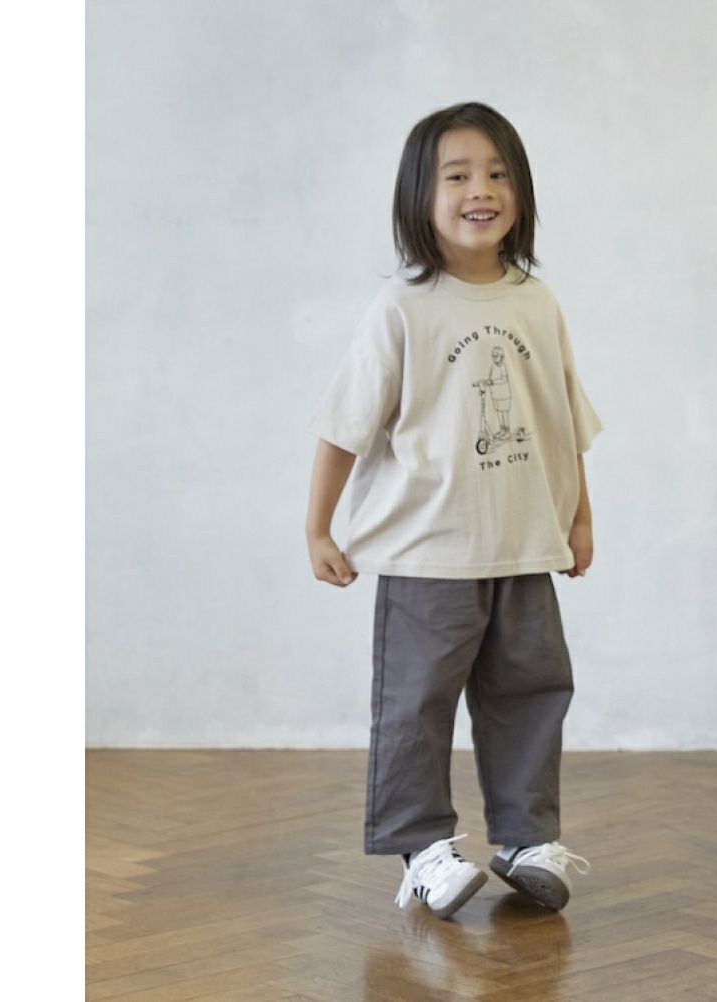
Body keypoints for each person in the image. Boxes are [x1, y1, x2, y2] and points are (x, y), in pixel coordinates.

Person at [305, 101, 601, 919]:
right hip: (426, 550)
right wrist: (318, 527)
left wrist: (578, 519)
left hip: (523, 545)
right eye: (458, 175)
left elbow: (564, 423)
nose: (482, 190)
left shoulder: (536, 302)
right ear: (420, 196)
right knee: (417, 704)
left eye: (499, 173)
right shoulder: (404, 307)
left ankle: (527, 839)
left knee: (532, 692)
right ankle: (422, 849)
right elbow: (343, 424)